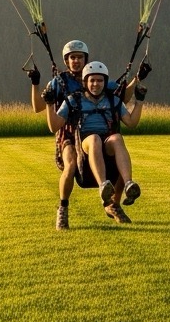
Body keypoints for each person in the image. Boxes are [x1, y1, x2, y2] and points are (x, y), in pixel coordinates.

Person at [26, 40, 136, 229]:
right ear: (66, 61)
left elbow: (122, 96)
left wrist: (138, 79)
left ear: (85, 59)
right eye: (72, 58)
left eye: (79, 57)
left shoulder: (94, 77)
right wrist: (36, 83)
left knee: (116, 160)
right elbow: (38, 107)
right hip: (67, 131)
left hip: (91, 131)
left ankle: (112, 205)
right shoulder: (59, 82)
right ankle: (63, 209)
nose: (76, 61)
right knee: (70, 166)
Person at [47, 60, 144, 224]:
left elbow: (131, 123)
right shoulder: (74, 100)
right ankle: (103, 186)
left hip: (106, 145)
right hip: (85, 145)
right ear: (85, 82)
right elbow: (54, 126)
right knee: (94, 139)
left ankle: (128, 184)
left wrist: (139, 101)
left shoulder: (113, 101)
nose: (96, 84)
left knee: (117, 138)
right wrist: (50, 105)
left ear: (105, 82)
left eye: (100, 80)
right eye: (92, 80)